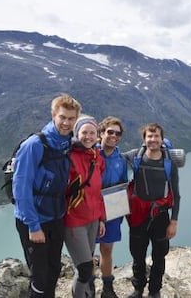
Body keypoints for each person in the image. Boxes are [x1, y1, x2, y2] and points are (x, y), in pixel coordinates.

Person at [13, 94, 81, 298]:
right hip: (34, 221)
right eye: (62, 117)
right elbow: (21, 188)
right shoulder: (34, 145)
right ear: (53, 115)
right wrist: (33, 226)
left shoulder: (68, 142)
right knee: (40, 278)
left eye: (71, 119)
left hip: (56, 217)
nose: (66, 123)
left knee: (54, 270)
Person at [126, 123, 180, 298]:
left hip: (161, 216)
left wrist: (174, 221)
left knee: (159, 255)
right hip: (138, 215)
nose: (153, 139)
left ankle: (155, 290)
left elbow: (176, 194)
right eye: (149, 136)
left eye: (156, 136)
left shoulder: (169, 164)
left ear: (161, 139)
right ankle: (138, 288)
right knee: (137, 255)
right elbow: (110, 156)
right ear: (144, 139)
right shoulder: (136, 157)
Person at [64, 114, 106, 298]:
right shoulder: (69, 157)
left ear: (97, 135)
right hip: (73, 221)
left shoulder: (97, 157)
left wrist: (101, 218)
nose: (88, 136)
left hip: (93, 220)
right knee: (84, 269)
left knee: (87, 264)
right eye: (84, 132)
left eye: (92, 133)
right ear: (76, 133)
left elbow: (97, 192)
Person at [95, 116, 128, 298]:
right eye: (110, 132)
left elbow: (123, 183)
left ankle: (107, 288)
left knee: (107, 250)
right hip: (91, 210)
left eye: (118, 133)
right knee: (88, 252)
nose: (114, 136)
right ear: (101, 134)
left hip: (112, 210)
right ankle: (87, 287)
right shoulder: (91, 154)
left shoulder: (121, 159)